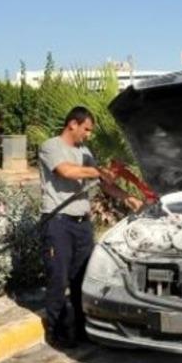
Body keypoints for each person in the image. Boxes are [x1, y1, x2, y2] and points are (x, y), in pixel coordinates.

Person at [39, 106, 143, 348]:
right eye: (86, 129)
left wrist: (128, 197)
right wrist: (97, 171)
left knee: (83, 279)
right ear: (72, 124)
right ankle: (56, 331)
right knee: (59, 278)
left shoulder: (85, 152)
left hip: (81, 225)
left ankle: (82, 329)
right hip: (58, 223)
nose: (88, 135)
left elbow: (104, 184)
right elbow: (66, 171)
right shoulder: (51, 146)